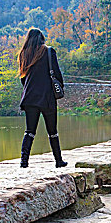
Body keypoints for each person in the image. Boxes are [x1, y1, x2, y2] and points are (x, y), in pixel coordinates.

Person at [18, 28, 67, 168]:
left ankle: (24, 162)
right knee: (52, 131)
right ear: (42, 38)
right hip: (47, 97)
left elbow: (23, 79)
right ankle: (58, 161)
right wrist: (60, 88)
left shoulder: (24, 53)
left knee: (29, 131)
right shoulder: (49, 51)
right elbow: (56, 73)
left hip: (30, 98)